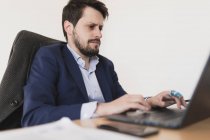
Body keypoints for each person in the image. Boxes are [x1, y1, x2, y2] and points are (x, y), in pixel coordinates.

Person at [22, 0, 186, 127]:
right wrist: (100, 108)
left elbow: (123, 102)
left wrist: (151, 101)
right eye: (91, 26)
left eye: (100, 28)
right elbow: (33, 116)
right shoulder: (49, 57)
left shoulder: (105, 65)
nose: (99, 34)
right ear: (69, 27)